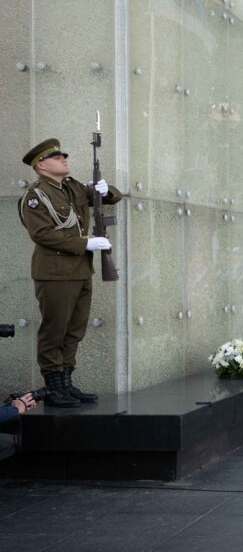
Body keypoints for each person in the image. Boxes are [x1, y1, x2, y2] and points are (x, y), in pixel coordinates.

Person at [19, 138, 123, 408]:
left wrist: (107, 190)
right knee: (55, 330)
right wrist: (84, 244)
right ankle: (53, 387)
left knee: (74, 330)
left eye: (63, 155)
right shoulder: (36, 196)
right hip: (55, 273)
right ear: (41, 165)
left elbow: (110, 197)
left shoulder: (73, 187)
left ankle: (66, 382)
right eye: (56, 157)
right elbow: (41, 234)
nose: (63, 158)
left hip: (81, 271)